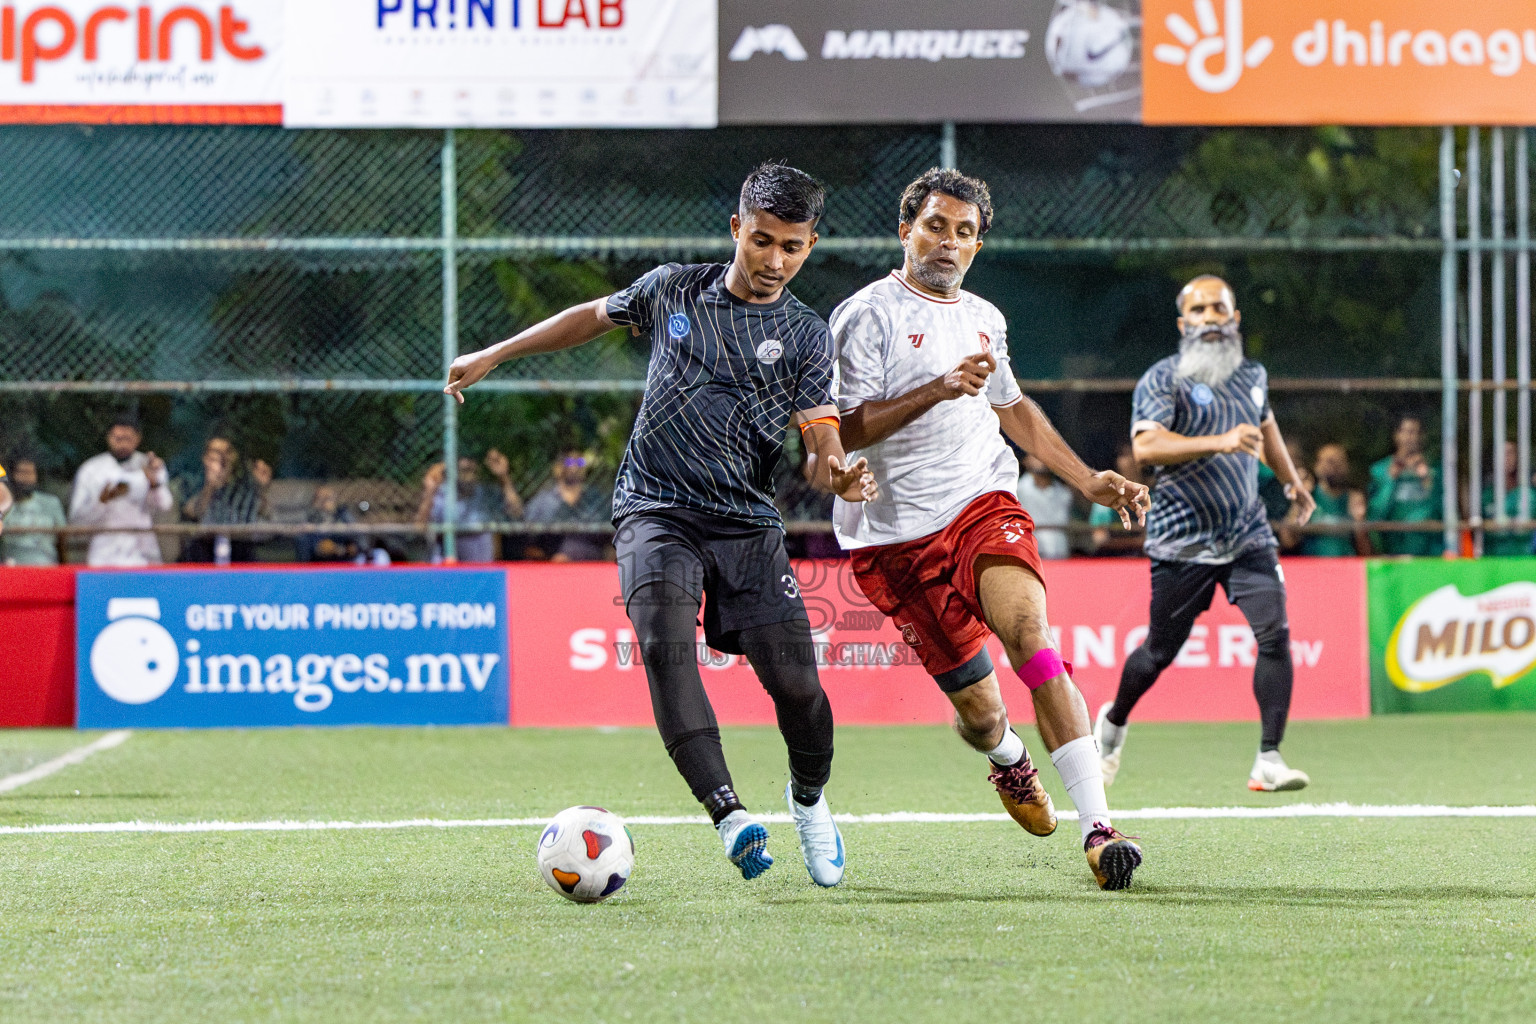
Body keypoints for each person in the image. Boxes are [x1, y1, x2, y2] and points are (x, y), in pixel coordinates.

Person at [444, 162, 877, 888]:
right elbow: (589, 316)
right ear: (737, 228)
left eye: (792, 247)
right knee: (665, 651)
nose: (774, 260)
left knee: (799, 688)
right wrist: (495, 353)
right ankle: (730, 815)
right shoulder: (674, 287)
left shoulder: (805, 335)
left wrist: (837, 468)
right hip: (654, 508)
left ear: (810, 245)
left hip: (744, 523)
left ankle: (808, 801)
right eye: (762, 240)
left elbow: (822, 430)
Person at [831, 168, 1149, 890]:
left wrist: (1084, 477)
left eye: (964, 232)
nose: (948, 242)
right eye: (936, 226)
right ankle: (1007, 759)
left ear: (978, 244)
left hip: (983, 502)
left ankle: (1100, 829)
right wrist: (939, 387)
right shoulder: (865, 316)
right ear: (905, 229)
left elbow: (1011, 407)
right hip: (893, 538)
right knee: (979, 714)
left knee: (1032, 639)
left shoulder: (985, 316)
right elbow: (843, 426)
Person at [1097, 275, 1316, 795]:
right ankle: (1114, 721)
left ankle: (1269, 757)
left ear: (1235, 319)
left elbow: (1264, 429)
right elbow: (1147, 447)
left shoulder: (1253, 374)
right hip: (1181, 541)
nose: (1211, 317)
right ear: (1183, 323)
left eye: (1220, 308)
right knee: (1158, 652)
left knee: (1275, 635)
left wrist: (1292, 483)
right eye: (1199, 310)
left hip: (1247, 535)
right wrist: (1219, 441)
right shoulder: (1163, 378)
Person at [69, 413, 172, 567]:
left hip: (142, 554)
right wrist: (104, 499)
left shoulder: (150, 465)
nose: (123, 444)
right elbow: (76, 518)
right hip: (104, 554)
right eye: (118, 439)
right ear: (109, 437)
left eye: (128, 439)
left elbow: (165, 506)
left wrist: (154, 483)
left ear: (138, 439)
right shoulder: (91, 469)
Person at [414, 449, 523, 563]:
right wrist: (429, 493)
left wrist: (504, 477)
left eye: (470, 467)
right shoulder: (443, 494)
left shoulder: (486, 493)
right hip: (451, 567)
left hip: (482, 566)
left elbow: (516, 512)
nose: (467, 465)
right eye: (462, 468)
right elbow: (420, 528)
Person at [178, 436, 271, 563]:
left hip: (239, 543)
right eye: (214, 454)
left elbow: (260, 514)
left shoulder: (244, 483)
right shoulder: (195, 478)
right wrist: (210, 486)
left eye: (226, 453)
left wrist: (261, 488)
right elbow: (191, 512)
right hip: (205, 545)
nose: (222, 459)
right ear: (205, 457)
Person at [1367, 415, 1443, 556]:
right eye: (1407, 432)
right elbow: (1375, 514)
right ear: (1397, 435)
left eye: (1416, 432)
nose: (1411, 437)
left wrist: (1428, 480)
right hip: (1392, 550)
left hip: (1429, 552)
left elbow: (1443, 511)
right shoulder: (1380, 470)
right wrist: (1390, 480)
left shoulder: (1435, 471)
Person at [524, 448, 609, 562]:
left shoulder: (595, 498)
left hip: (589, 556)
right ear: (557, 468)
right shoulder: (544, 500)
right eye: (569, 462)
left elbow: (606, 531)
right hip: (551, 555)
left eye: (580, 462)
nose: (574, 467)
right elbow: (527, 526)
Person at [1302, 443, 1368, 557]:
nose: (1335, 467)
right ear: (1317, 465)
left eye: (1340, 462)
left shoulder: (1353, 498)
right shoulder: (1309, 497)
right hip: (1312, 566)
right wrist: (1299, 501)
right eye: (1330, 461)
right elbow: (1288, 541)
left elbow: (1365, 551)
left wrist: (1359, 522)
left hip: (1346, 565)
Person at [2, 457, 67, 566]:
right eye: (22, 472)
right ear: (12, 475)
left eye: (30, 473)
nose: (26, 478)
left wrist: (65, 569)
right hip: (12, 570)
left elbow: (62, 541)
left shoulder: (50, 503)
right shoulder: (3, 504)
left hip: (47, 568)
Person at [1090, 444, 1149, 556]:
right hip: (1114, 558)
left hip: (1144, 557)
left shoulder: (1153, 495)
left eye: (1132, 454)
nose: (1129, 460)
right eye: (1123, 455)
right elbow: (1099, 537)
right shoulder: (1106, 497)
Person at [1016, 452, 1076, 560]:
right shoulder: (1017, 491)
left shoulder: (1064, 492)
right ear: (1025, 460)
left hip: (1061, 555)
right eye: (1036, 455)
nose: (1041, 460)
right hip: (1031, 556)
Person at [1482, 441, 1536, 557]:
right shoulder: (1486, 493)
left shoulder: (1528, 493)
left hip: (1524, 557)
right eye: (1502, 453)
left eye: (1510, 453)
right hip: (1492, 558)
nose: (1507, 458)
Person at [297, 484, 360, 563]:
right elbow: (305, 533)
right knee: (303, 538)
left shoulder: (343, 513)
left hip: (341, 549)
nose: (324, 502)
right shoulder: (311, 514)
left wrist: (339, 548)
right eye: (320, 498)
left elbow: (356, 533)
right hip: (317, 551)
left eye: (328, 498)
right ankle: (305, 570)